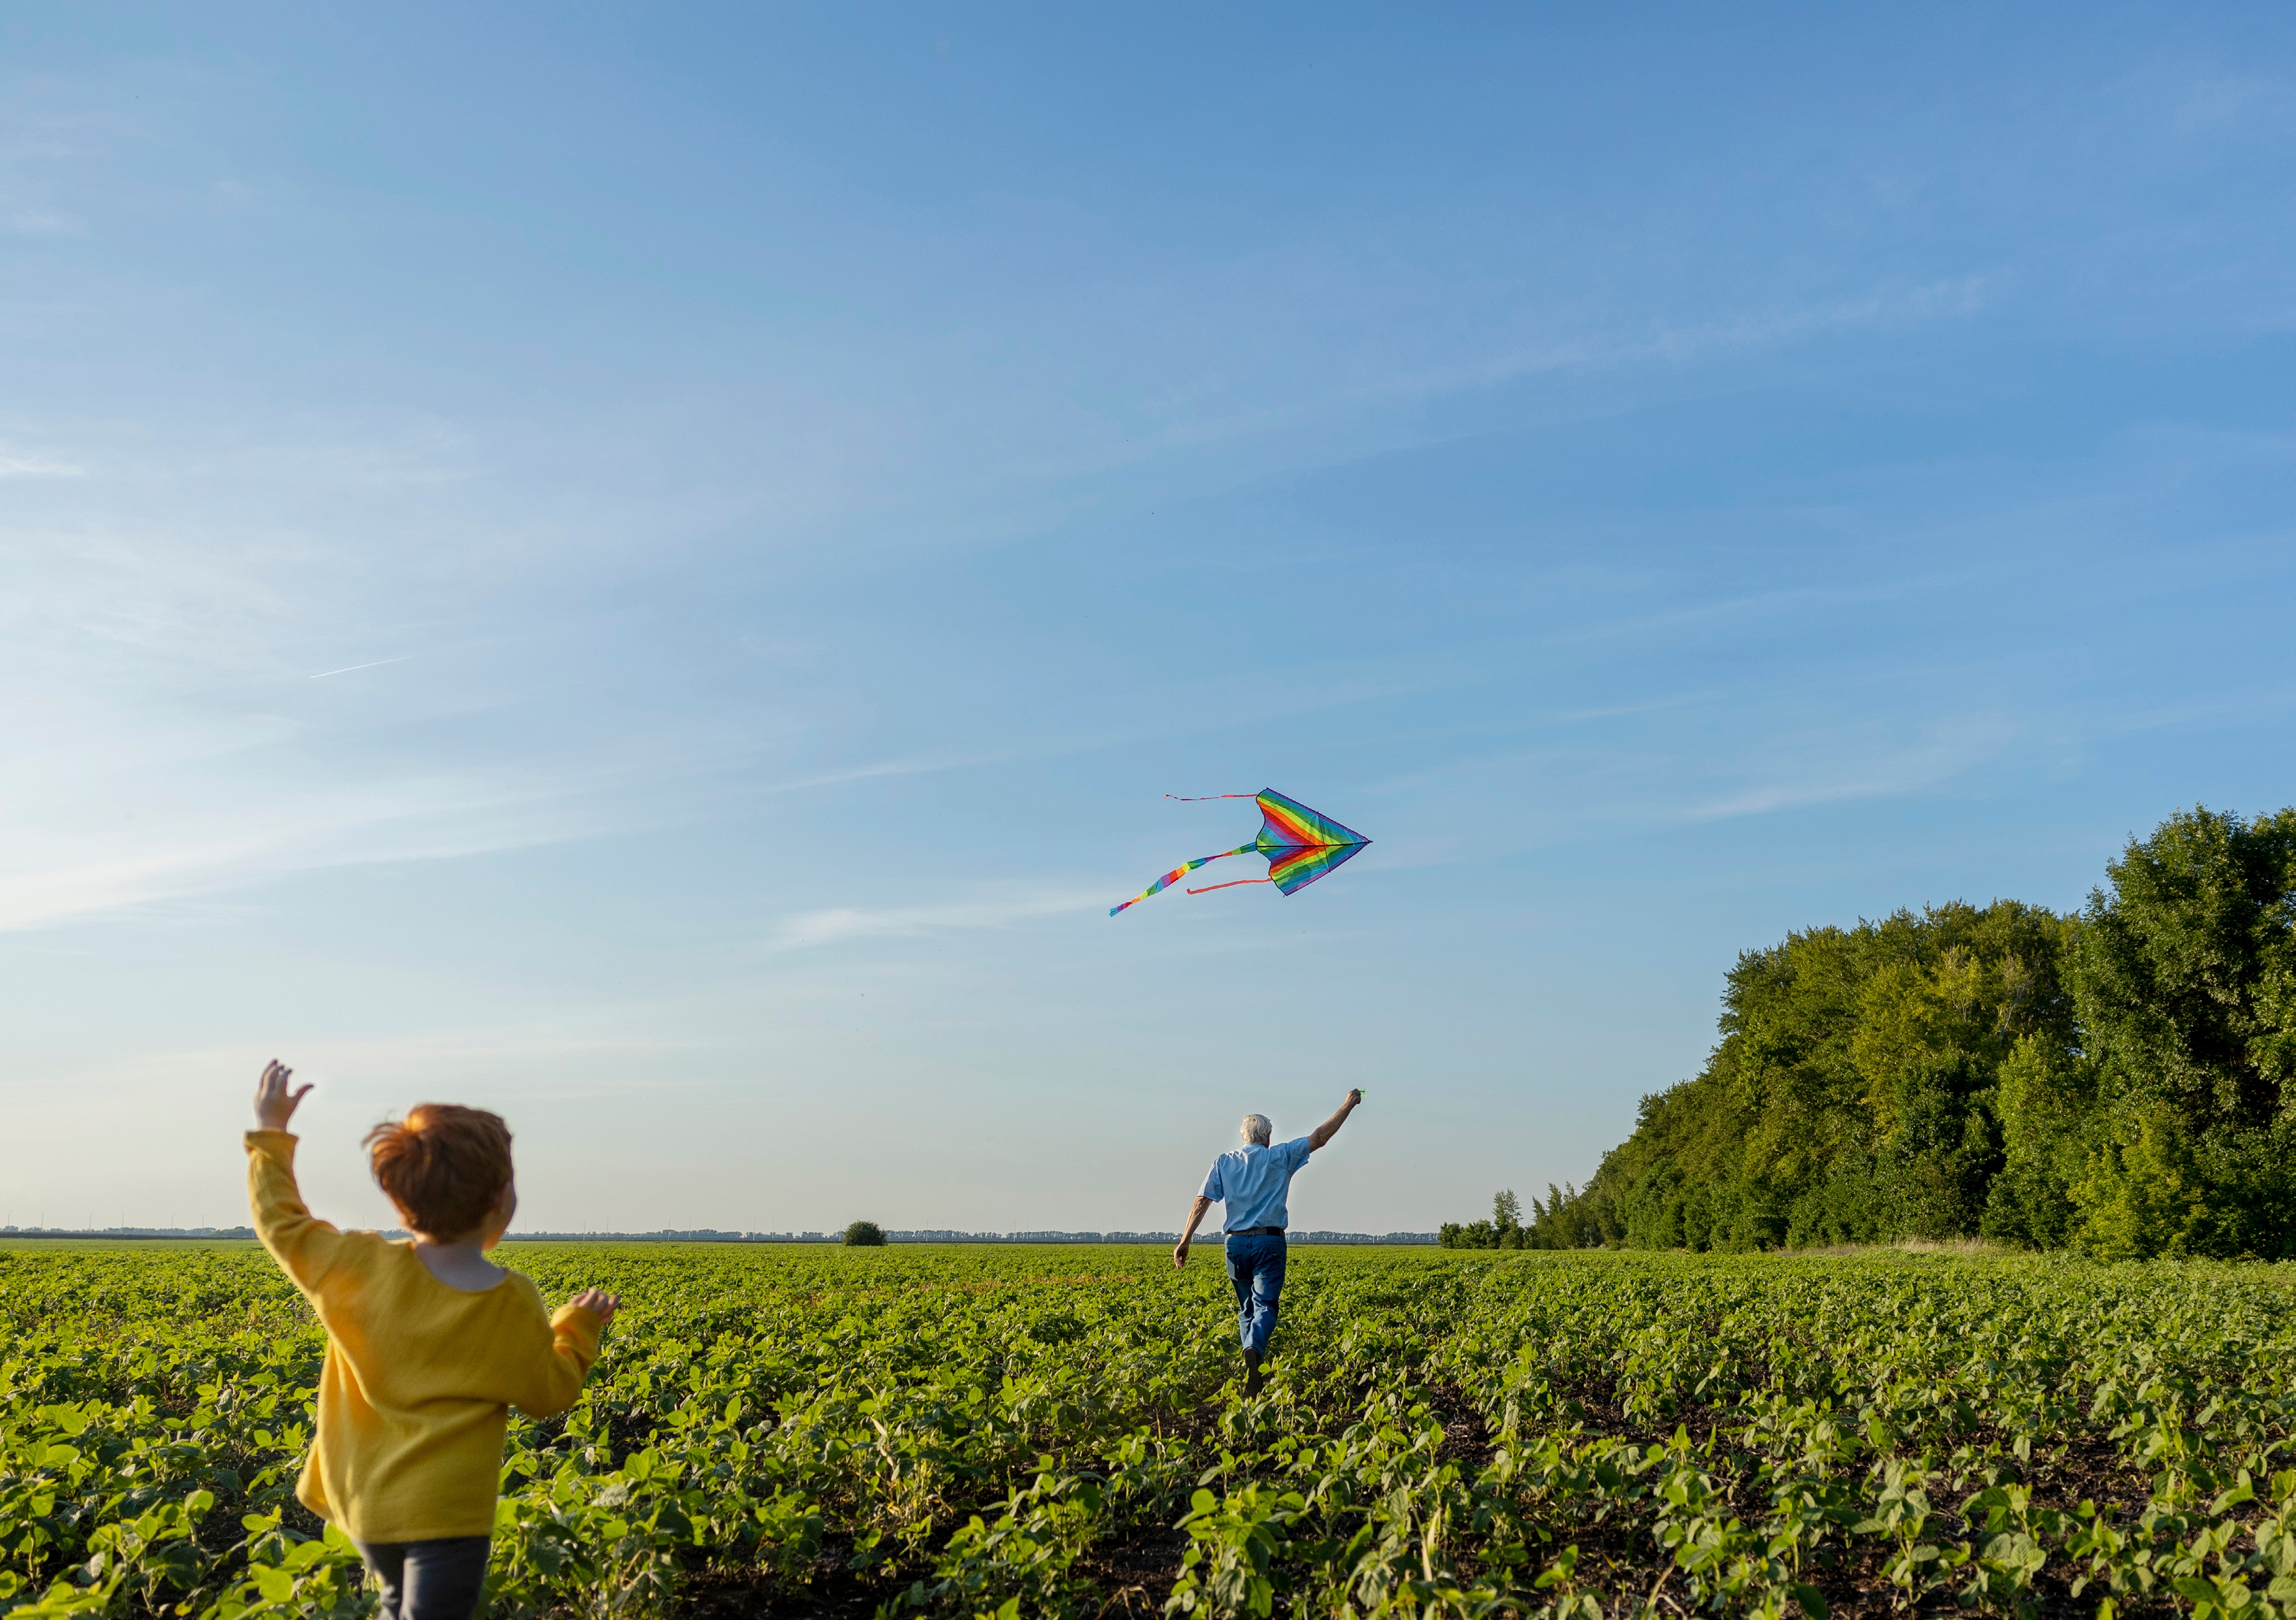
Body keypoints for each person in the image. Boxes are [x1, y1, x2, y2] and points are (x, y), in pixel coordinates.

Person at [243, 1059, 621, 1620]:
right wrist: (577, 1328)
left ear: (400, 1200)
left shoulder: (355, 1267)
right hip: (448, 1514)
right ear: (500, 1200)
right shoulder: (509, 1299)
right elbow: (550, 1393)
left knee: (397, 1603)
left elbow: (280, 1220)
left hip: (364, 1499)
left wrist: (272, 1133)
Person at [1172, 1089, 1362, 1394]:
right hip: (1269, 1243)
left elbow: (1202, 1200)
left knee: (1246, 1307)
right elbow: (1320, 1137)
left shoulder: (1225, 1162)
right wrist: (1347, 1105)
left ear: (1245, 1136)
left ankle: (1253, 1371)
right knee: (1266, 1306)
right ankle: (1255, 1348)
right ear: (1268, 1137)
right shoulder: (1281, 1156)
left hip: (1234, 1245)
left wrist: (1185, 1240)